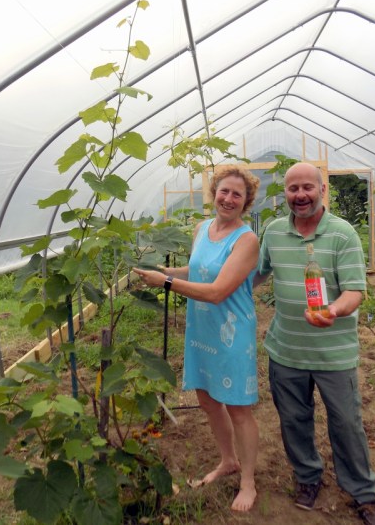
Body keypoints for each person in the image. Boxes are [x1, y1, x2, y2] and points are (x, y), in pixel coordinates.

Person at [253, 161, 375, 525]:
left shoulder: (342, 234)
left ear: (322, 190)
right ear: (285, 195)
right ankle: (308, 477)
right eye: (293, 189)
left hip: (334, 353)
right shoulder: (275, 232)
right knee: (294, 420)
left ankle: (363, 492)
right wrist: (216, 290)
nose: (300, 195)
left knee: (346, 424)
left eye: (307, 187)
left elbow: (356, 290)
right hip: (286, 350)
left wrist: (334, 311)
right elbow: (257, 274)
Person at [133, 165, 261, 512]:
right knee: (207, 400)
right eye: (224, 191)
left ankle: (247, 482)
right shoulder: (202, 228)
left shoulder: (246, 240)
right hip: (201, 327)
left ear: (246, 201)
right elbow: (200, 270)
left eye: (237, 194)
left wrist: (167, 285)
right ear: (214, 193)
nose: (229, 199)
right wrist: (166, 272)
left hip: (231, 330)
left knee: (238, 407)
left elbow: (219, 290)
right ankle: (227, 460)